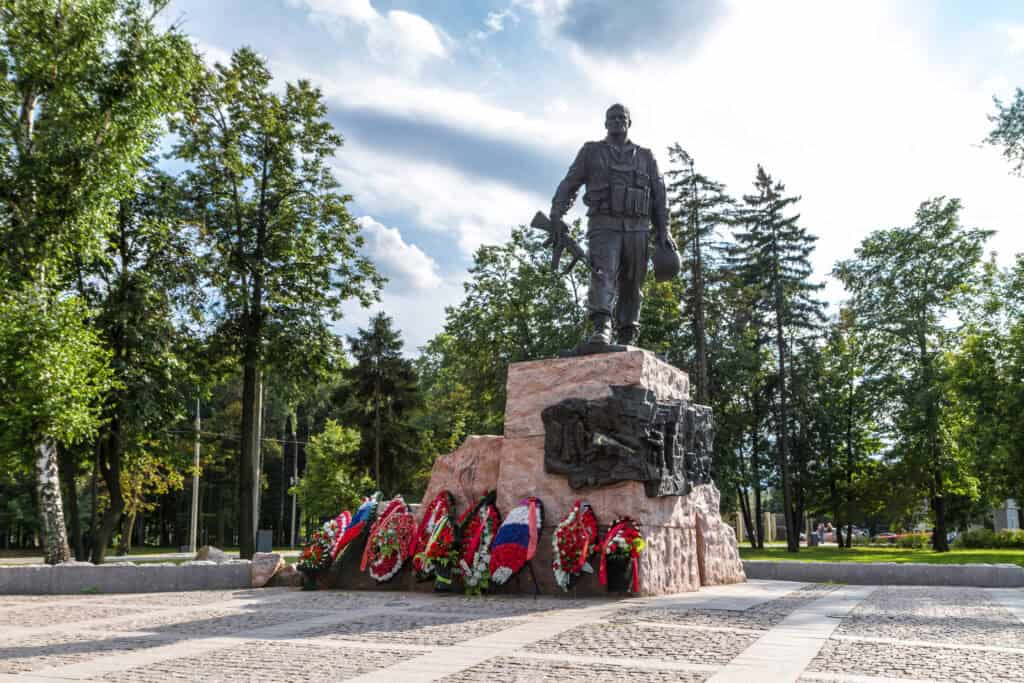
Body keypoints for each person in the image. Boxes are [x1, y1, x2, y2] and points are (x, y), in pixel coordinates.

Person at [550, 103, 676, 346]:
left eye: (622, 117)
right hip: (604, 223)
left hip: (637, 226)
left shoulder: (645, 156)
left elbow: (660, 195)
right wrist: (557, 213)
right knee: (602, 274)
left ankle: (628, 332)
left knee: (633, 281)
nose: (617, 121)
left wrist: (664, 229)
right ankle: (602, 327)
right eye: (612, 118)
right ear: (605, 123)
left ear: (629, 122)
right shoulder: (591, 152)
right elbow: (569, 183)